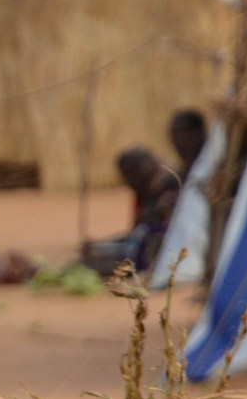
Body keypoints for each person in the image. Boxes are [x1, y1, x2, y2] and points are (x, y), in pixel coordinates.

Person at [82, 146, 182, 278]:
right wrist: (102, 245)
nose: (128, 182)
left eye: (130, 175)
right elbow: (136, 232)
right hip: (139, 247)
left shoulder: (171, 187)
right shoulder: (143, 193)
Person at [169, 108, 207, 182]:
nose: (178, 142)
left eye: (183, 136)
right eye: (174, 136)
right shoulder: (179, 177)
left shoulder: (215, 168)